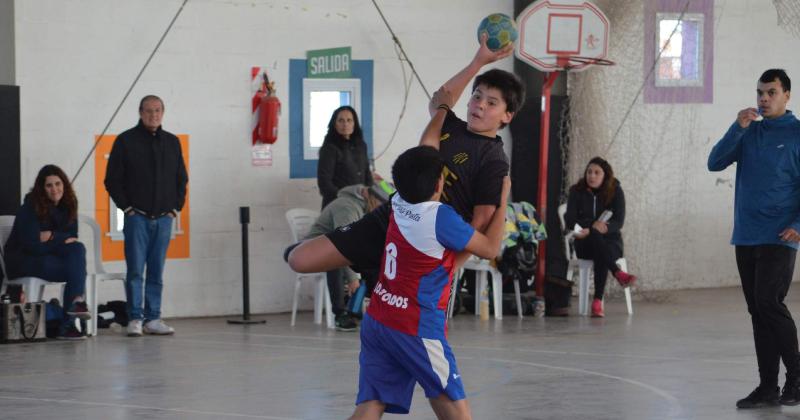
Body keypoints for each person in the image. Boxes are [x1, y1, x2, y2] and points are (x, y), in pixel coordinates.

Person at [288, 34, 521, 279]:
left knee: (394, 302)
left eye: (492, 102)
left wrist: (450, 267)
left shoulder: (493, 160)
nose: (480, 104)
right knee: (299, 259)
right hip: (392, 215)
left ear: (507, 116)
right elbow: (440, 99)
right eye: (477, 96)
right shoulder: (451, 125)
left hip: (423, 240)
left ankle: (373, 274)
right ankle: (371, 268)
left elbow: (481, 221)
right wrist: (477, 62)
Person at [350, 145, 510, 419]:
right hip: (415, 327)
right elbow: (491, 248)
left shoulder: (397, 202)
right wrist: (502, 197)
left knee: (371, 405)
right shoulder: (439, 217)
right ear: (439, 184)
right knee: (458, 413)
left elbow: (440, 256)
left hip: (378, 318)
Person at [708, 68, 800, 409]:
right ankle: (767, 387)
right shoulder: (748, 132)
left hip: (780, 234)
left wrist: (799, 224)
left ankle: (796, 375)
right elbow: (714, 163)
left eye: (771, 92)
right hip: (746, 235)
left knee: (769, 303)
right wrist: (738, 127)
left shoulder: (797, 133)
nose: (764, 98)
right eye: (760, 92)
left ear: (787, 95)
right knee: (757, 311)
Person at [105, 94, 188, 337]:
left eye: (158, 110)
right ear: (140, 113)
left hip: (164, 219)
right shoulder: (125, 141)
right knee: (135, 271)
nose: (153, 115)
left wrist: (175, 208)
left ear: (163, 113)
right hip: (136, 218)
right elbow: (112, 180)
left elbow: (181, 179)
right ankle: (135, 318)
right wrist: (127, 209)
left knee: (156, 272)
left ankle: (153, 318)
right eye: (149, 110)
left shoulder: (172, 142)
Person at [3, 165, 91, 340]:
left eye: (58, 184)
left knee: (78, 249)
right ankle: (69, 322)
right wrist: (59, 239)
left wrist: (50, 236)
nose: (54, 189)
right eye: (49, 185)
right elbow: (32, 246)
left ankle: (74, 306)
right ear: (41, 189)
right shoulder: (30, 207)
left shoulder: (69, 205)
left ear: (64, 184)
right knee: (77, 270)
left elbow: (72, 239)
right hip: (23, 260)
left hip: (48, 258)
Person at [565, 157, 636, 317]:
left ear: (605, 175)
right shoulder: (576, 191)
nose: (592, 176)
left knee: (601, 249)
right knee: (597, 242)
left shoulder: (615, 190)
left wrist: (605, 228)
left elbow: (619, 221)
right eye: (589, 172)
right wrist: (592, 227)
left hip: (612, 242)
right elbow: (570, 220)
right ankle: (616, 276)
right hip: (584, 243)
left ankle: (598, 302)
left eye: (597, 173)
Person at [305, 184, 383, 331]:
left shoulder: (363, 207)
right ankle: (340, 314)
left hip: (334, 246)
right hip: (311, 249)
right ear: (370, 197)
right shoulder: (347, 208)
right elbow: (345, 246)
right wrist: (353, 278)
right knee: (334, 262)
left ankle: (358, 308)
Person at [317, 106, 373, 209]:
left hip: (361, 204)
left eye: (349, 120)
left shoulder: (361, 145)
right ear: (334, 124)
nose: (345, 124)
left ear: (354, 123)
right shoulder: (329, 149)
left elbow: (367, 174)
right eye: (341, 120)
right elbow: (324, 184)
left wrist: (369, 193)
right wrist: (347, 198)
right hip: (337, 205)